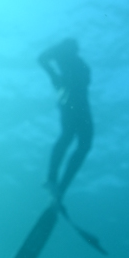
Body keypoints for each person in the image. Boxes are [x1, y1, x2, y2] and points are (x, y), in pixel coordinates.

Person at [38, 38, 93, 203]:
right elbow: (41, 58)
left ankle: (57, 187)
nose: (77, 48)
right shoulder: (62, 51)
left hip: (79, 101)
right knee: (70, 137)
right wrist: (54, 76)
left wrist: (54, 76)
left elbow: (42, 59)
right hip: (72, 100)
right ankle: (54, 182)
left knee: (81, 142)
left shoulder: (72, 57)